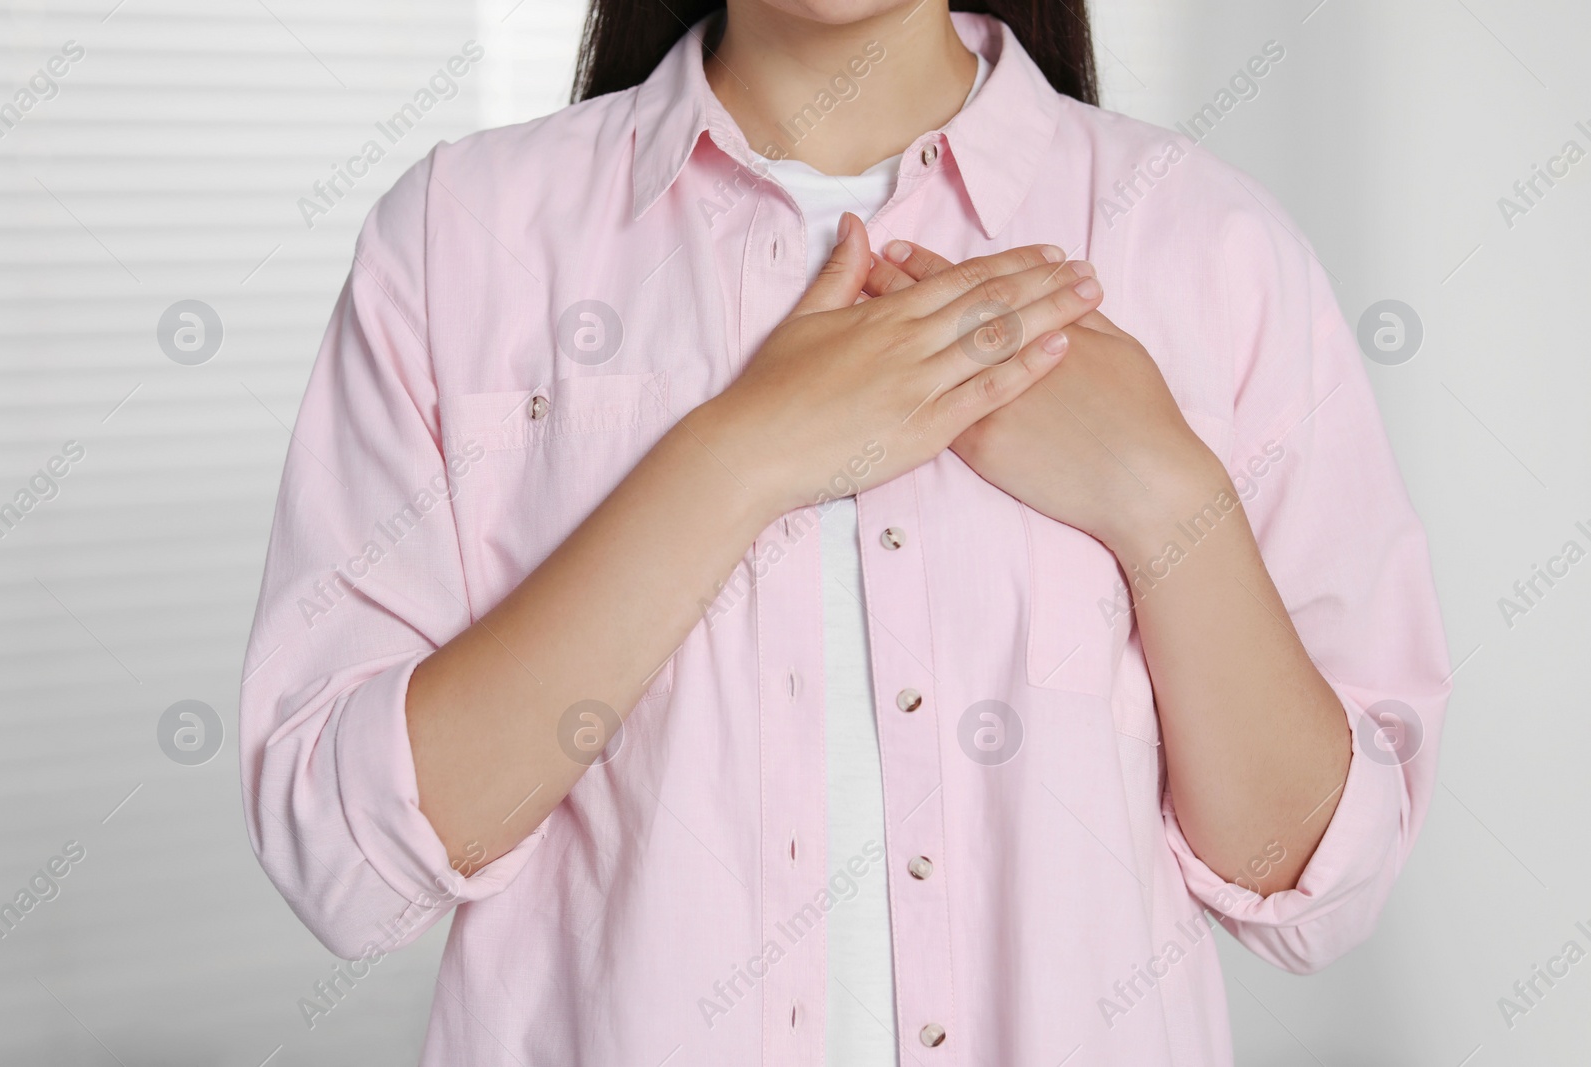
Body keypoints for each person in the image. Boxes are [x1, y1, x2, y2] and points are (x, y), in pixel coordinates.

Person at [239, 0, 1451, 1062]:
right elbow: (346, 863)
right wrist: (738, 456)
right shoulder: (461, 238)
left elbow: (1309, 886)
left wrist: (1163, 498)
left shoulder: (1205, 246)